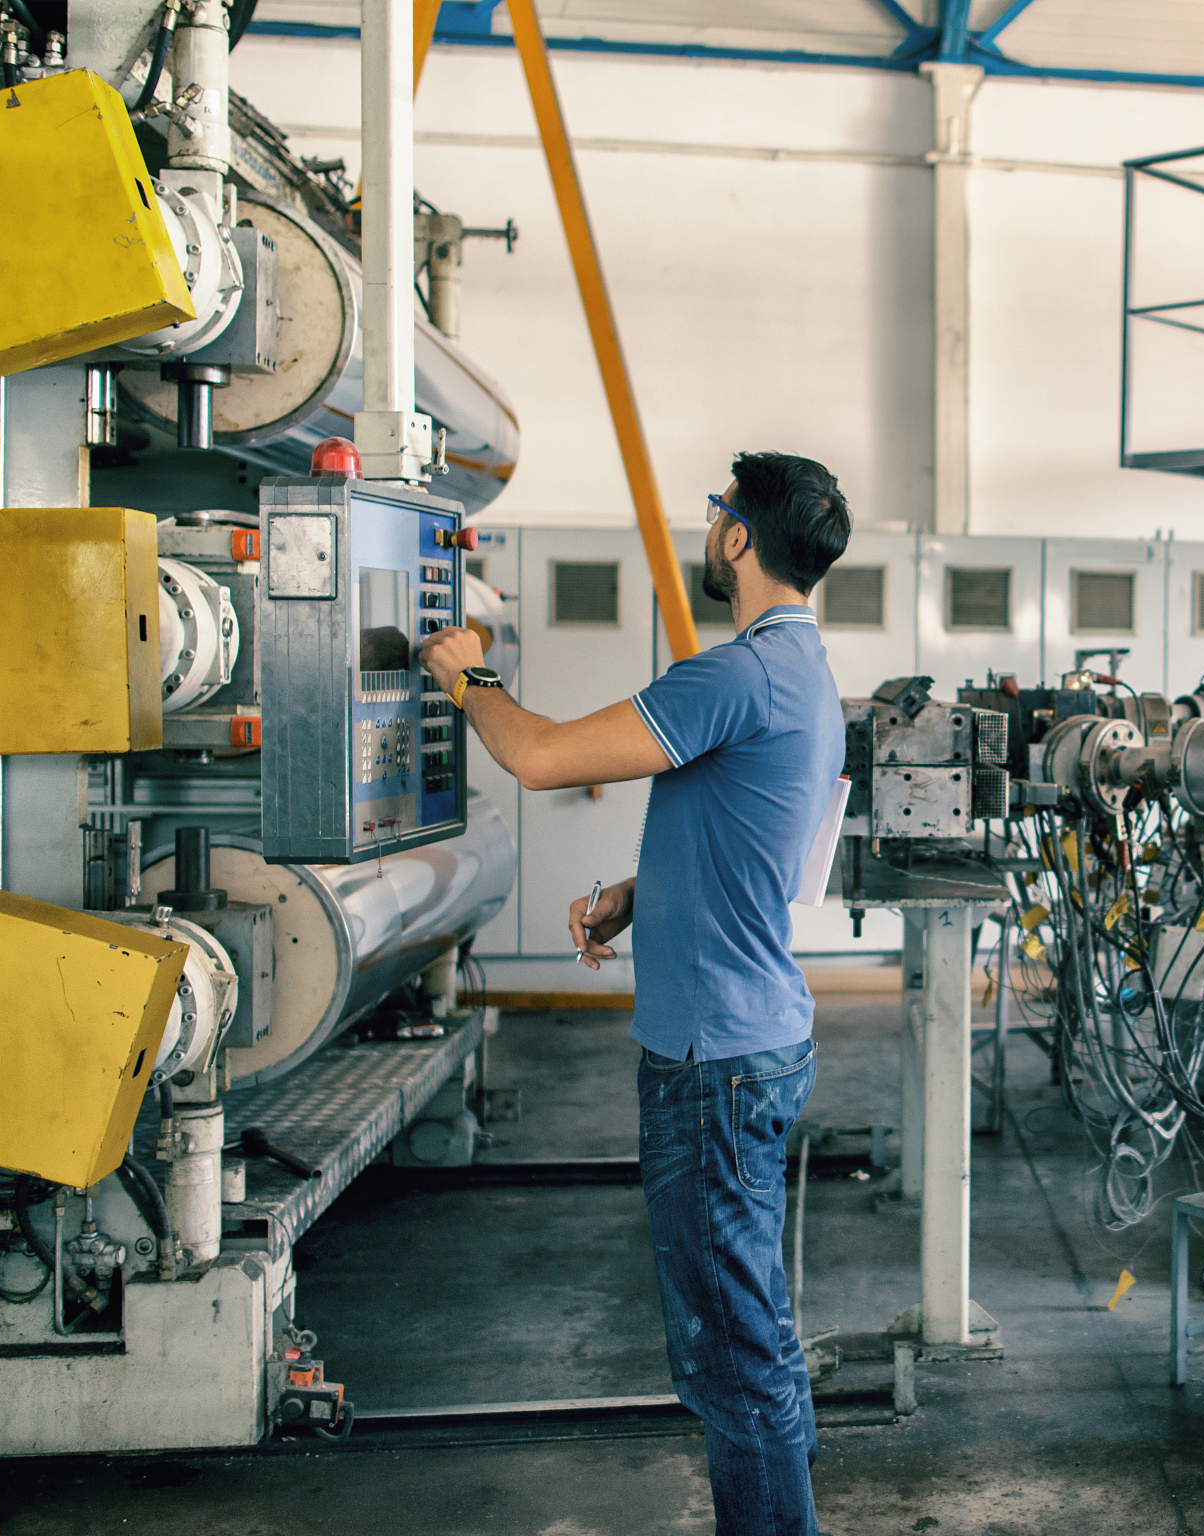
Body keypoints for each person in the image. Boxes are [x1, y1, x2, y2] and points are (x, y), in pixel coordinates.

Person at [418, 451, 850, 1536]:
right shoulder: (800, 673)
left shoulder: (731, 675)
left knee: (731, 1356)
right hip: (753, 1036)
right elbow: (761, 849)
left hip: (712, 1063)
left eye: (714, 517)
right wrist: (631, 893)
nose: (707, 531)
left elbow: (541, 754)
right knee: (755, 1332)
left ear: (739, 540)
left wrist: (461, 671)